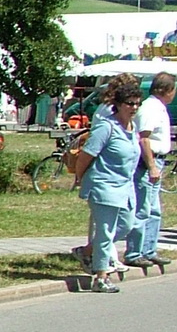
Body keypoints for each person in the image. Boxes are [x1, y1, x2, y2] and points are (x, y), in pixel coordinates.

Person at [75, 80, 143, 293]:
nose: (133, 108)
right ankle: (101, 277)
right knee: (105, 232)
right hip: (104, 185)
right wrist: (79, 177)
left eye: (136, 104)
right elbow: (86, 155)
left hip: (125, 186)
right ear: (119, 104)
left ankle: (87, 251)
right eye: (129, 103)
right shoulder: (107, 127)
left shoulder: (133, 128)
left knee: (127, 224)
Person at [124, 71, 175, 268]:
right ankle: (135, 252)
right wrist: (152, 165)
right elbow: (143, 137)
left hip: (158, 161)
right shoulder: (150, 108)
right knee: (142, 209)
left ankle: (148, 249)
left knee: (154, 210)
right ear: (166, 90)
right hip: (148, 162)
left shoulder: (159, 108)